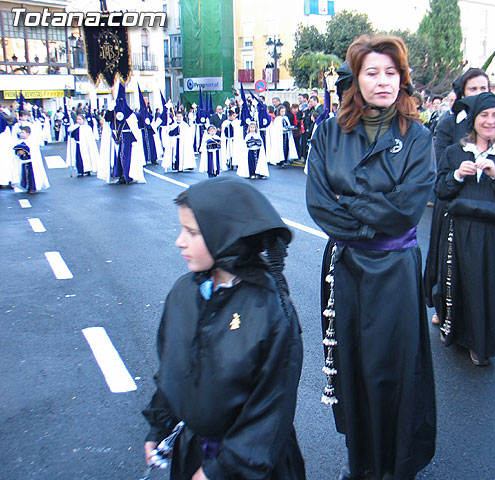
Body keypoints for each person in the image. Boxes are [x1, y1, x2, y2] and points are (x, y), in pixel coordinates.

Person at [306, 34, 436, 480]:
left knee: (394, 369)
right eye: (371, 72)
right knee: (353, 366)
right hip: (345, 268)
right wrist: (367, 218)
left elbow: (406, 210)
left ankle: (396, 463)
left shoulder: (418, 137)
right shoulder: (328, 133)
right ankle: (359, 460)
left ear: (402, 78)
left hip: (395, 270)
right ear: (356, 79)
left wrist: (353, 204)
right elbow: (320, 205)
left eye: (390, 72)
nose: (382, 81)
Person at [142, 177, 305, 480]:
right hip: (192, 454)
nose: (179, 241)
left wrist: (223, 469)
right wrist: (159, 426)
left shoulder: (269, 308)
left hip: (248, 466)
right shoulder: (183, 293)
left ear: (225, 236)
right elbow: (172, 368)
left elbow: (272, 407)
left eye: (191, 232)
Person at [429, 92, 495, 366]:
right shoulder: (454, 153)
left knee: (485, 289)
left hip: (493, 234)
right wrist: (456, 175)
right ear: (473, 121)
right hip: (457, 230)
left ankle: (481, 345)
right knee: (456, 285)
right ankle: (455, 333)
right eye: (484, 115)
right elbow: (440, 190)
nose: (490, 121)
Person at [428, 67, 491, 324]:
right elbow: (441, 162)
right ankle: (442, 304)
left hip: (485, 202)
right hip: (452, 198)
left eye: (482, 89)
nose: (477, 94)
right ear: (462, 92)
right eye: (472, 89)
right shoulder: (449, 122)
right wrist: (459, 171)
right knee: (447, 258)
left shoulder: (493, 121)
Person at [12, 125, 50, 193]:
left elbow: (33, 151)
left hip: (31, 162)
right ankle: (26, 186)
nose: (21, 134)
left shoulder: (32, 142)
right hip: (23, 161)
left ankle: (32, 187)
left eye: (23, 132)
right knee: (24, 175)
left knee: (31, 175)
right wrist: (18, 152)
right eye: (21, 132)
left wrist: (25, 151)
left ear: (28, 133)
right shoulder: (19, 141)